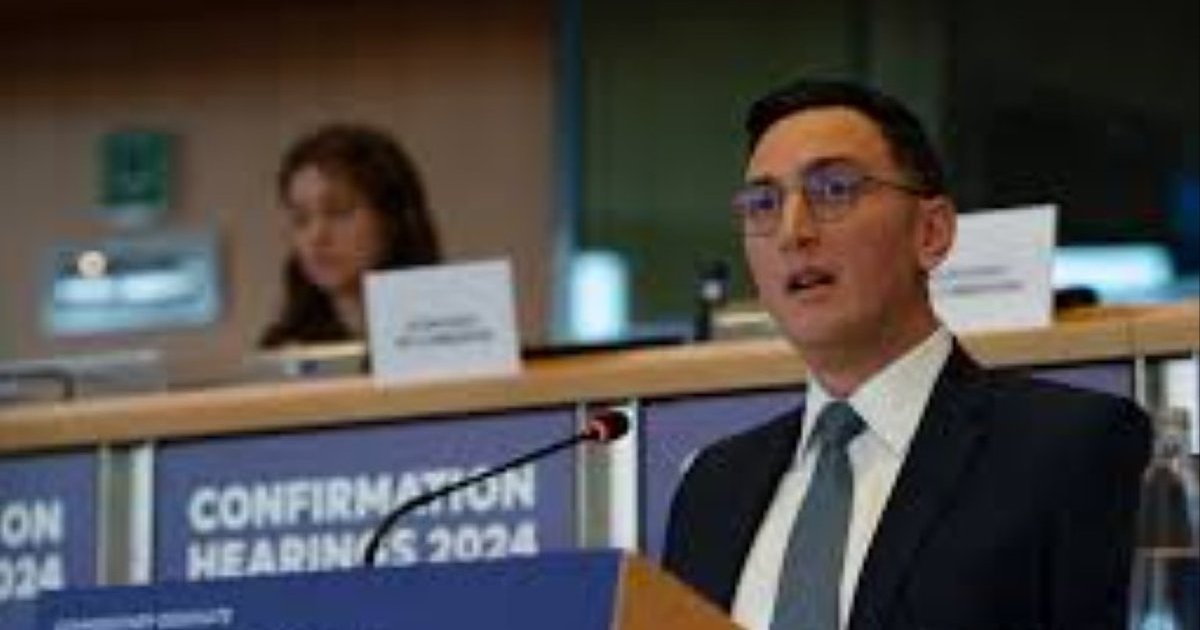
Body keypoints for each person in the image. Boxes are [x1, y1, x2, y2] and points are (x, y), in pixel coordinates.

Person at [661, 79, 1150, 629]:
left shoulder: (1068, 448)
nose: (792, 232)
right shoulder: (713, 488)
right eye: (763, 204)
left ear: (932, 232)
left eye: (834, 190)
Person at [260, 124, 441, 348]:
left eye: (339, 211)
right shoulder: (285, 350)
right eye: (301, 219)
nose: (317, 237)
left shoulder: (449, 329)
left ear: (391, 219)